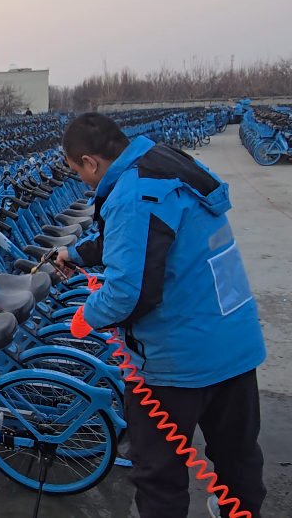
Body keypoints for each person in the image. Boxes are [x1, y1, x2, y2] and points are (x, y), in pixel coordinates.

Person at [53, 112, 267, 518]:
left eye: (77, 170)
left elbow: (127, 296)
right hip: (235, 340)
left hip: (177, 359)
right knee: (237, 458)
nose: (80, 179)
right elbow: (149, 236)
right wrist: (78, 254)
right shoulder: (169, 165)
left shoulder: (132, 194)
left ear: (90, 162)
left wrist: (85, 317)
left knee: (159, 478)